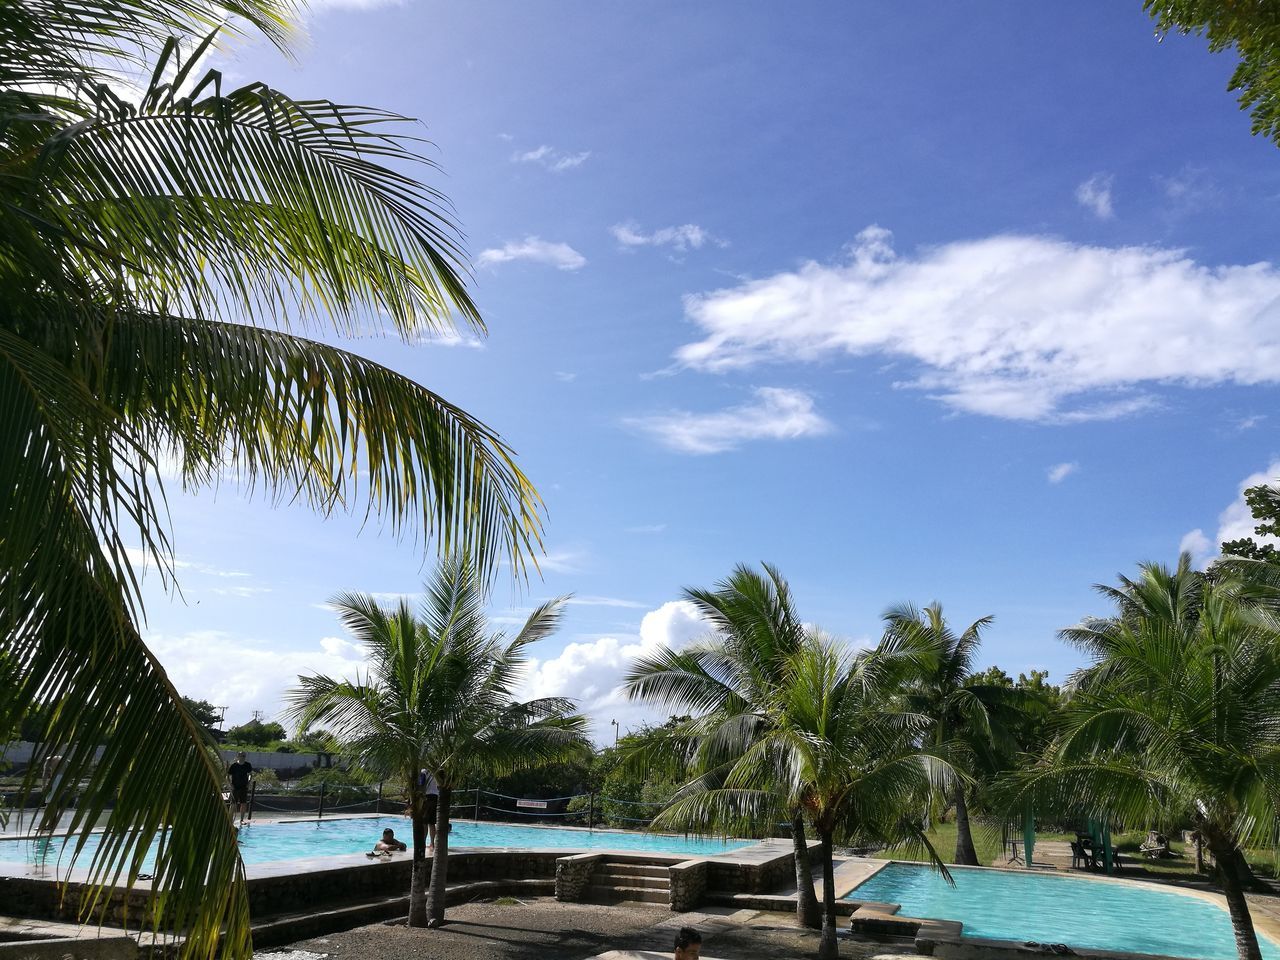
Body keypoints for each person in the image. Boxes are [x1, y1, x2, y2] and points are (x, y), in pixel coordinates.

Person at [227, 752, 253, 825]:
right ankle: (230, 819)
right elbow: (228, 775)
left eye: (244, 756)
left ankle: (241, 819)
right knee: (233, 804)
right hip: (235, 786)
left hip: (244, 786)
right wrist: (230, 784)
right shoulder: (234, 765)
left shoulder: (247, 765)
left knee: (243, 803)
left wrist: (249, 782)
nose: (243, 757)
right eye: (241, 756)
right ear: (238, 756)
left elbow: (250, 774)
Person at [420, 768, 440, 850]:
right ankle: (432, 843)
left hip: (426, 797)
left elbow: (421, 783)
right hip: (435, 796)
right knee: (432, 823)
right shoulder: (437, 770)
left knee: (424, 822)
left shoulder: (424, 771)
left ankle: (423, 842)